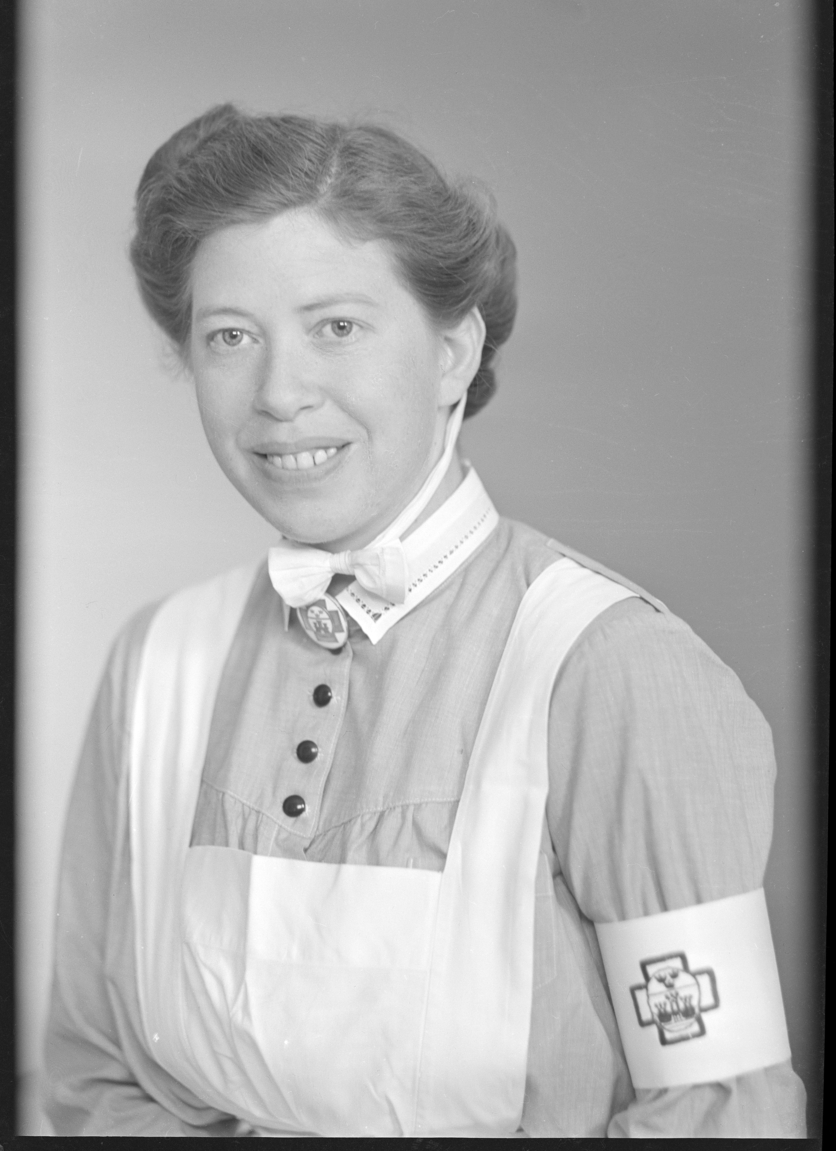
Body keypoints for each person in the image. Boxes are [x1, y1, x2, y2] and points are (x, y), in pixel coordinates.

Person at [43, 104, 807, 1138]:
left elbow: (722, 1111)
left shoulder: (609, 667)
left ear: (452, 350)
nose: (278, 394)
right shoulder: (156, 663)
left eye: (337, 327)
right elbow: (93, 1078)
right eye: (230, 337)